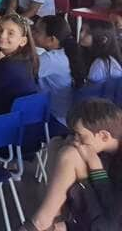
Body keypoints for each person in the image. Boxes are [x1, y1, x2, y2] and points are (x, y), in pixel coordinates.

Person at [18, 97, 122, 231]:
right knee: (57, 143)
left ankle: (42, 221)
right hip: (102, 212)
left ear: (104, 136)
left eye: (80, 135)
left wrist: (96, 167)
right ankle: (53, 216)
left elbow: (113, 214)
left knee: (70, 155)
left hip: (111, 223)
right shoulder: (110, 145)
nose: (76, 140)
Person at [33, 15, 80, 126]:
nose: (32, 33)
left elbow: (23, 73)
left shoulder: (51, 59)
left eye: (37, 31)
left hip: (54, 118)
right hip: (67, 115)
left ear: (52, 39)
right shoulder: (67, 53)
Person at [80, 20, 122, 84]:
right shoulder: (89, 56)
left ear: (103, 39)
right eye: (82, 30)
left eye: (88, 32)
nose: (81, 34)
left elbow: (90, 91)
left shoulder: (100, 63)